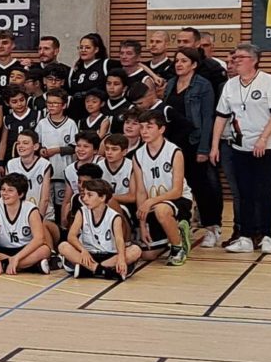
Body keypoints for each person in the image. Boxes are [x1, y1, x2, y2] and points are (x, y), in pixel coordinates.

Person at [212, 43, 271, 255]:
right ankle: (245, 236)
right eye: (234, 58)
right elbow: (221, 116)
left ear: (253, 60)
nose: (234, 61)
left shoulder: (268, 81)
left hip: (267, 146)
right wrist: (214, 145)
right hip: (240, 145)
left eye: (240, 58)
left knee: (262, 190)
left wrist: (263, 138)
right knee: (243, 191)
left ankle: (266, 235)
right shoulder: (230, 85)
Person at [162, 46, 223, 247]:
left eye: (184, 61)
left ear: (194, 64)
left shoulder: (203, 85)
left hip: (194, 142)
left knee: (202, 187)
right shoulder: (171, 83)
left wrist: (204, 149)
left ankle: (212, 227)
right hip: (172, 144)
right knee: (177, 186)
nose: (179, 64)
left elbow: (207, 118)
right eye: (177, 61)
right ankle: (181, 226)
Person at [133, 110, 194, 266]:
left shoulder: (174, 152)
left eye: (149, 127)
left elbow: (177, 191)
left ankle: (178, 248)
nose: (144, 131)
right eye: (142, 127)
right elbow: (141, 191)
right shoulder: (138, 155)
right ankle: (174, 232)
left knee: (162, 210)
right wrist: (142, 225)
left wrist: (151, 201)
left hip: (179, 200)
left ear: (161, 129)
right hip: (154, 204)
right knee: (148, 255)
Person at [59, 179, 141, 280]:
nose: (84, 198)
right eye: (84, 195)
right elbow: (71, 236)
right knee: (63, 246)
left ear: (102, 197)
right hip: (88, 254)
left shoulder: (114, 216)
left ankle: (89, 269)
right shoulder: (82, 212)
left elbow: (119, 240)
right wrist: (83, 250)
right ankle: (104, 271)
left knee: (136, 250)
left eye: (89, 195)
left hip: (109, 255)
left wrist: (121, 258)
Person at [0, 173, 53, 275]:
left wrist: (17, 258)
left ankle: (5, 264)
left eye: (10, 190)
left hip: (25, 249)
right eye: (3, 189)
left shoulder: (31, 209)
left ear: (20, 194)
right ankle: (30, 266)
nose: (5, 193)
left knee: (45, 250)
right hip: (2, 250)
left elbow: (39, 239)